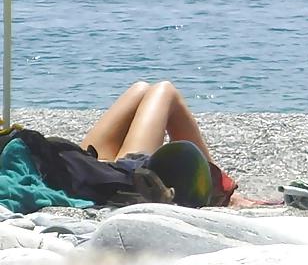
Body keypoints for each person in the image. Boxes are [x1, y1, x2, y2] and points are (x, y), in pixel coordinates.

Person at [80, 80, 248, 207]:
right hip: (110, 181)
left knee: (141, 89)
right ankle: (219, 189)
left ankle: (219, 186)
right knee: (165, 91)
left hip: (76, 168)